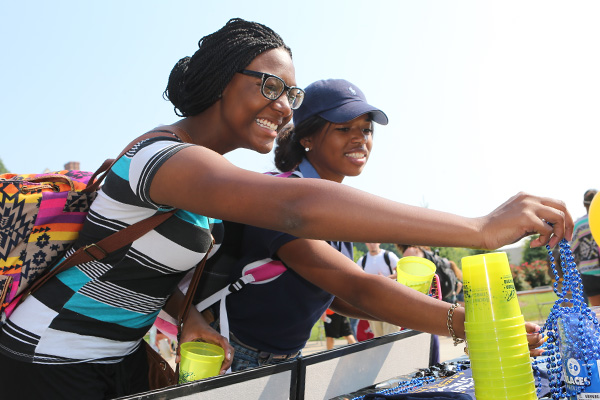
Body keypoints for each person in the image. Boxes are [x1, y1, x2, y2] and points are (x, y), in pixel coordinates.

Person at [0, 18, 572, 399]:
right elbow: (298, 208)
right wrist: (478, 228)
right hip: (47, 361)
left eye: (291, 95)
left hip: (116, 360)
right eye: (271, 85)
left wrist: (185, 313)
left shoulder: (201, 180)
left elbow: (139, 264)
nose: (283, 107)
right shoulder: (165, 158)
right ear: (224, 81)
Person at [208, 79, 552, 372]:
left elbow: (338, 295)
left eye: (366, 129)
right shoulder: (280, 199)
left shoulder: (338, 215)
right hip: (233, 357)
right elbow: (358, 286)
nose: (360, 139)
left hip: (287, 360)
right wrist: (477, 323)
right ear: (306, 138)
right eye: (344, 128)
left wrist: (410, 303)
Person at [356, 243, 401, 337]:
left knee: (391, 336)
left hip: (390, 302)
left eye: (374, 242)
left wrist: (385, 279)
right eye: (369, 242)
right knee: (379, 338)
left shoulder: (388, 256)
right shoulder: (362, 261)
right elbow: (356, 279)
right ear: (366, 243)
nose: (372, 245)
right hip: (372, 305)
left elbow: (401, 272)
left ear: (379, 242)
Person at [571, 189, 600, 306]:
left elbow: (573, 251)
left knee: (597, 311)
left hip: (588, 273)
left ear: (584, 204)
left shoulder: (578, 225)